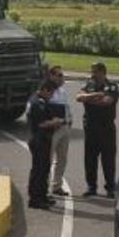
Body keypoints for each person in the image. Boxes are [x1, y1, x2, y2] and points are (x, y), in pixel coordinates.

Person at [76, 62, 119, 198]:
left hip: (106, 128)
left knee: (108, 159)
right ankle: (91, 186)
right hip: (90, 127)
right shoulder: (89, 84)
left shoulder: (112, 86)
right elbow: (78, 97)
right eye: (92, 71)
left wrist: (88, 99)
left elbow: (106, 101)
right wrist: (95, 95)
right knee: (90, 158)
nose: (92, 74)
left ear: (102, 72)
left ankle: (110, 187)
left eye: (94, 72)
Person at [27, 79, 63, 210]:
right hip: (38, 139)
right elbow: (40, 123)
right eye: (51, 92)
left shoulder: (40, 100)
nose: (52, 95)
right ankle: (35, 199)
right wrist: (54, 123)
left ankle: (42, 195)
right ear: (45, 90)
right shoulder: (37, 102)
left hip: (44, 139)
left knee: (45, 169)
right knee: (38, 169)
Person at [46, 66, 72, 197]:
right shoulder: (48, 92)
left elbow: (67, 107)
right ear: (52, 76)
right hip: (53, 129)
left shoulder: (62, 91)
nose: (62, 78)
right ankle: (43, 188)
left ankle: (56, 185)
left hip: (64, 127)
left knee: (62, 159)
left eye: (63, 75)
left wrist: (70, 120)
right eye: (59, 75)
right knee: (47, 159)